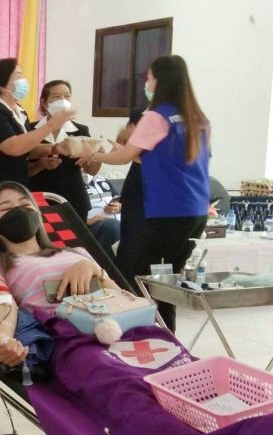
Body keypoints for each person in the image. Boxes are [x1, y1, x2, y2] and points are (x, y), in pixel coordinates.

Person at [84, 55, 210, 332]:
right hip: (195, 211)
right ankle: (167, 336)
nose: (147, 83)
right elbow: (173, 160)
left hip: (164, 212)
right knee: (166, 283)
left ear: (161, 80)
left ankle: (139, 337)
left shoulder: (156, 116)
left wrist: (93, 153)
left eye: (150, 78)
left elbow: (125, 157)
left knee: (135, 277)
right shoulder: (197, 119)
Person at [0, 182, 120, 367]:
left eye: (26, 205)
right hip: (68, 339)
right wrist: (3, 338)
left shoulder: (77, 252)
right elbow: (1, 300)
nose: (19, 211)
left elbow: (122, 298)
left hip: (116, 326)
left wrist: (95, 270)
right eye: (6, 208)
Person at [0, 59, 76, 197]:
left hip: (13, 189)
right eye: (18, 77)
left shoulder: (19, 111)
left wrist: (55, 148)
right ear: (2, 86)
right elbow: (14, 147)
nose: (24, 81)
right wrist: (51, 125)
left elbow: (27, 148)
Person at [27, 80, 99, 221]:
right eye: (56, 97)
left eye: (67, 96)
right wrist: (41, 164)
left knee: (75, 234)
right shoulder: (30, 129)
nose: (63, 101)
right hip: (37, 198)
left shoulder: (80, 130)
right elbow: (21, 168)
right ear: (44, 103)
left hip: (74, 199)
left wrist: (97, 155)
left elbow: (91, 170)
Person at [114, 108, 146, 284]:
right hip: (134, 195)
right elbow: (123, 146)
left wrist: (95, 155)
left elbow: (125, 156)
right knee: (128, 249)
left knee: (137, 252)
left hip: (150, 199)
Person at [84, 173, 121, 261]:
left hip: (119, 222)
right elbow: (63, 211)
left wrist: (119, 206)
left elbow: (119, 199)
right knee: (112, 226)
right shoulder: (71, 182)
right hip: (92, 228)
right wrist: (86, 221)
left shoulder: (102, 179)